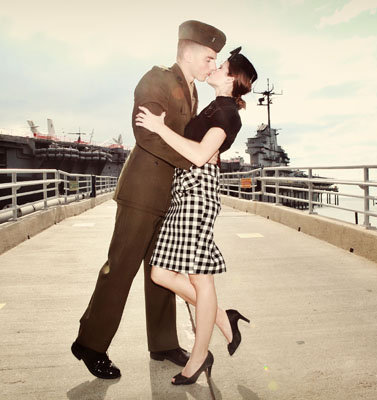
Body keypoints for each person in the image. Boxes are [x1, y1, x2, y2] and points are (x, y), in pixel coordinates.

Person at [71, 20, 226, 380]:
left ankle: (163, 343)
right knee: (120, 268)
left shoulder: (192, 90)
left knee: (163, 273)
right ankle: (90, 344)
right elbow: (146, 132)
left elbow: (182, 137)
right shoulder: (156, 79)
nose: (212, 66)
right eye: (209, 58)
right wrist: (195, 157)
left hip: (170, 195)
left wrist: (206, 151)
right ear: (188, 51)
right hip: (142, 192)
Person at [135, 46, 257, 385]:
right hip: (183, 189)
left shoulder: (228, 113)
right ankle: (221, 318)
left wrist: (159, 128)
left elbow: (202, 155)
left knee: (200, 279)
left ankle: (199, 357)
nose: (214, 67)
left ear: (231, 79)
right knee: (160, 272)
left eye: (222, 66)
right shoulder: (216, 106)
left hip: (198, 192)